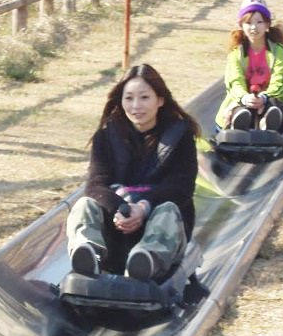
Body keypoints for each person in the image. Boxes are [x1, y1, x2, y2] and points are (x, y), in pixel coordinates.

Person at [66, 64, 200, 282]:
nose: (136, 106)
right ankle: (89, 253)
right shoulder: (106, 136)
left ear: (160, 100)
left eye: (144, 97)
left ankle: (146, 260)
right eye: (129, 98)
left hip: (161, 226)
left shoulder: (179, 136)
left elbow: (181, 187)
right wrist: (121, 209)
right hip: (118, 224)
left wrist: (144, 207)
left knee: (167, 209)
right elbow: (96, 185)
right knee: (84, 205)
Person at [215, 0, 283, 133]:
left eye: (259, 22)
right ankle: (240, 124)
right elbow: (234, 81)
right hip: (244, 98)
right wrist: (245, 97)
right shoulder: (236, 53)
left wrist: (265, 97)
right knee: (242, 110)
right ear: (241, 25)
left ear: (267, 25)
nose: (254, 27)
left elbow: (280, 80)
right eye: (248, 23)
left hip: (271, 97)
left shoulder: (278, 51)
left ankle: (269, 125)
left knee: (273, 108)